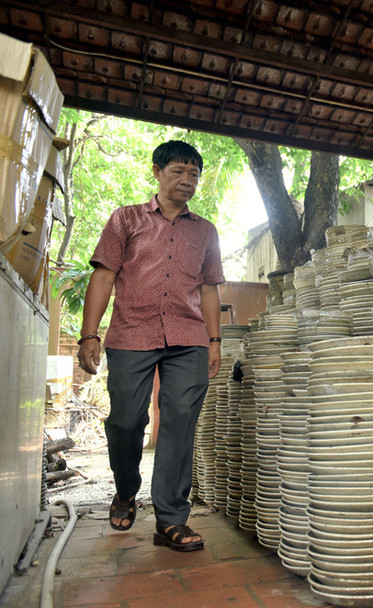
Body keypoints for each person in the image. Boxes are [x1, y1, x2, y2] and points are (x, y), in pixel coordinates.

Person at [76, 140, 224, 552]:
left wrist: (214, 341)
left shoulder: (205, 231)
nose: (187, 180)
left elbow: (209, 289)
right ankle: (126, 490)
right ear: (157, 172)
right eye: (178, 171)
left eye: (194, 174)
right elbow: (104, 276)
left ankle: (171, 519)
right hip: (132, 333)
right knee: (125, 421)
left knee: (180, 422)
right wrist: (89, 334)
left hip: (188, 338)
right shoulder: (125, 219)